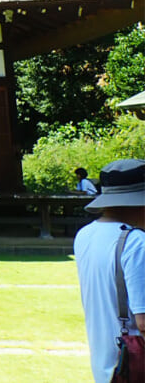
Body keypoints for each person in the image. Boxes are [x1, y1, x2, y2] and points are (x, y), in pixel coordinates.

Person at [73, 159, 145, 383]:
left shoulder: (85, 234)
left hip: (107, 366)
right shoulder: (136, 242)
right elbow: (143, 321)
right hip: (135, 366)